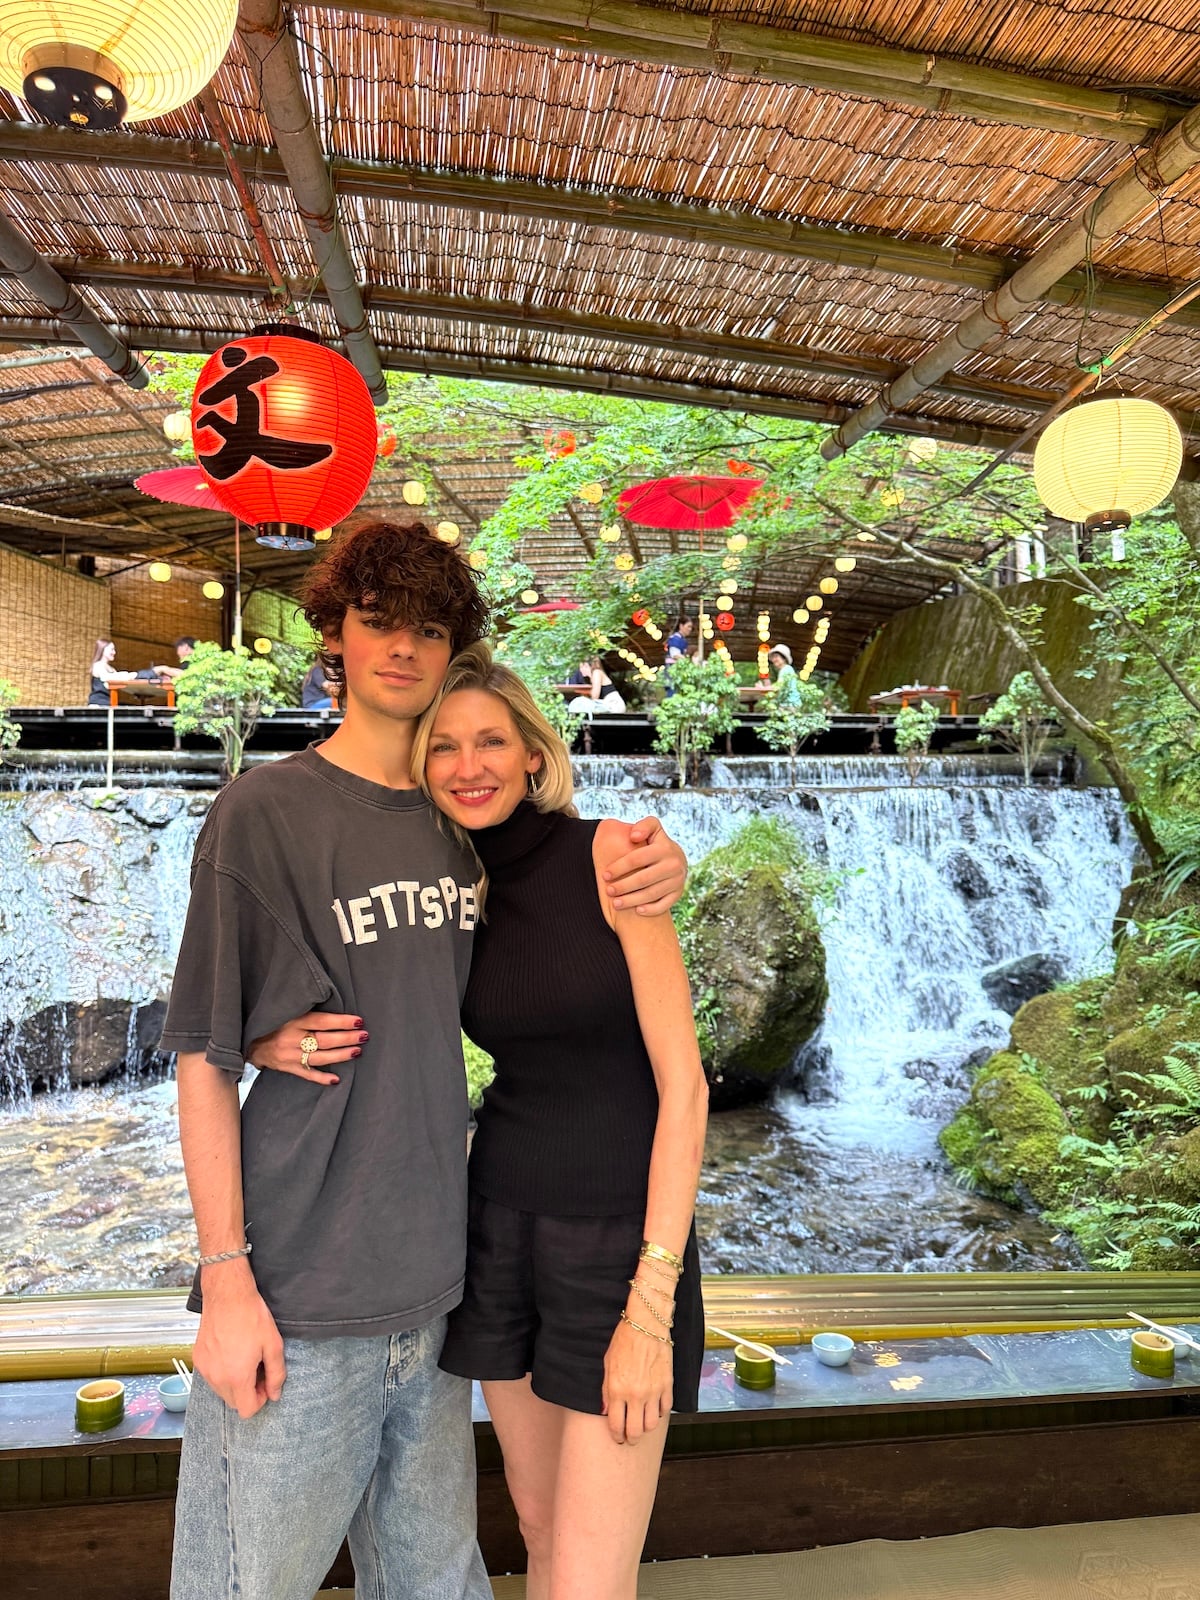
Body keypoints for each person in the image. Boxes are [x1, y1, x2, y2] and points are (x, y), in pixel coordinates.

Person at [159, 519, 687, 1600]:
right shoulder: (262, 812)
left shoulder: (463, 825)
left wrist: (661, 859)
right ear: (335, 635)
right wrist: (226, 1278)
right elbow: (203, 1053)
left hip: (445, 1282)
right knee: (245, 1581)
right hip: (305, 1285)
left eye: (429, 629)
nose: (402, 646)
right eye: (377, 621)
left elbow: (559, 900)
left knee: (440, 1580)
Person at [264, 642, 708, 1599]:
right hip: (497, 1231)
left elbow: (687, 1089)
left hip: (618, 1249)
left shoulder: (614, 860)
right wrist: (264, 1041)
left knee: (590, 1577)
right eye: (444, 746)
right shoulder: (451, 886)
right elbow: (365, 995)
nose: (470, 766)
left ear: (534, 755)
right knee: (539, 1535)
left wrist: (652, 1303)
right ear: (421, 766)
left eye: (492, 742)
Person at [87, 638, 140, 705]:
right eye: (111, 649)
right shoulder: (98, 665)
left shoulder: (111, 669)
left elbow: (119, 681)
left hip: (109, 701)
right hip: (99, 702)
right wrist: (130, 675)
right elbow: (107, 678)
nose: (114, 652)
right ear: (103, 649)